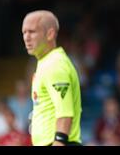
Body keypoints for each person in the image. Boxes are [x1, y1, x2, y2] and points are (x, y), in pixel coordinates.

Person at [22, 10, 82, 146]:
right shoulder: (45, 62)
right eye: (24, 32)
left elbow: (65, 113)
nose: (26, 37)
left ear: (50, 34)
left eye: (32, 31)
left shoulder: (55, 65)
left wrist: (59, 142)